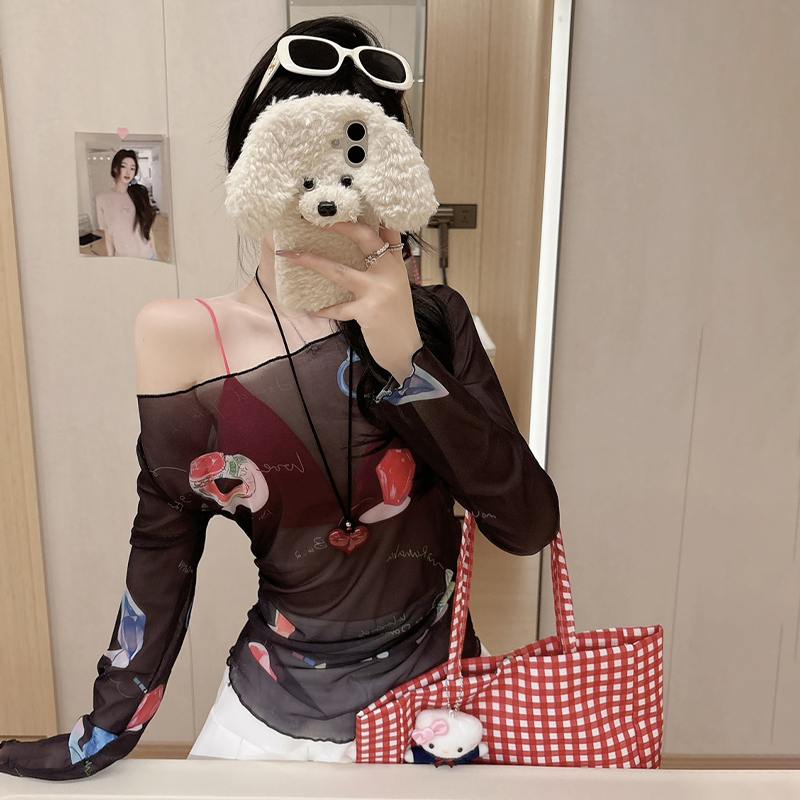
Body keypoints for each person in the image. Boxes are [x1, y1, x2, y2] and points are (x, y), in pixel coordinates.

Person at [0, 16, 559, 780]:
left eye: (361, 150)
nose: (333, 186)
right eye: (300, 151)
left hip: (439, 718)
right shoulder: (185, 339)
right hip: (273, 718)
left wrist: (405, 356)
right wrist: (99, 734)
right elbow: (164, 546)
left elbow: (526, 524)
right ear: (251, 165)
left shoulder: (437, 319)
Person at [95, 150, 158, 260]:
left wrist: (156, 258)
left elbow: (149, 231)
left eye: (132, 168)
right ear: (115, 168)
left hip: (147, 257)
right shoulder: (102, 199)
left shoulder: (140, 194)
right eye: (124, 166)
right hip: (122, 261)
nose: (128, 172)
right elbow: (108, 235)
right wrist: (111, 260)